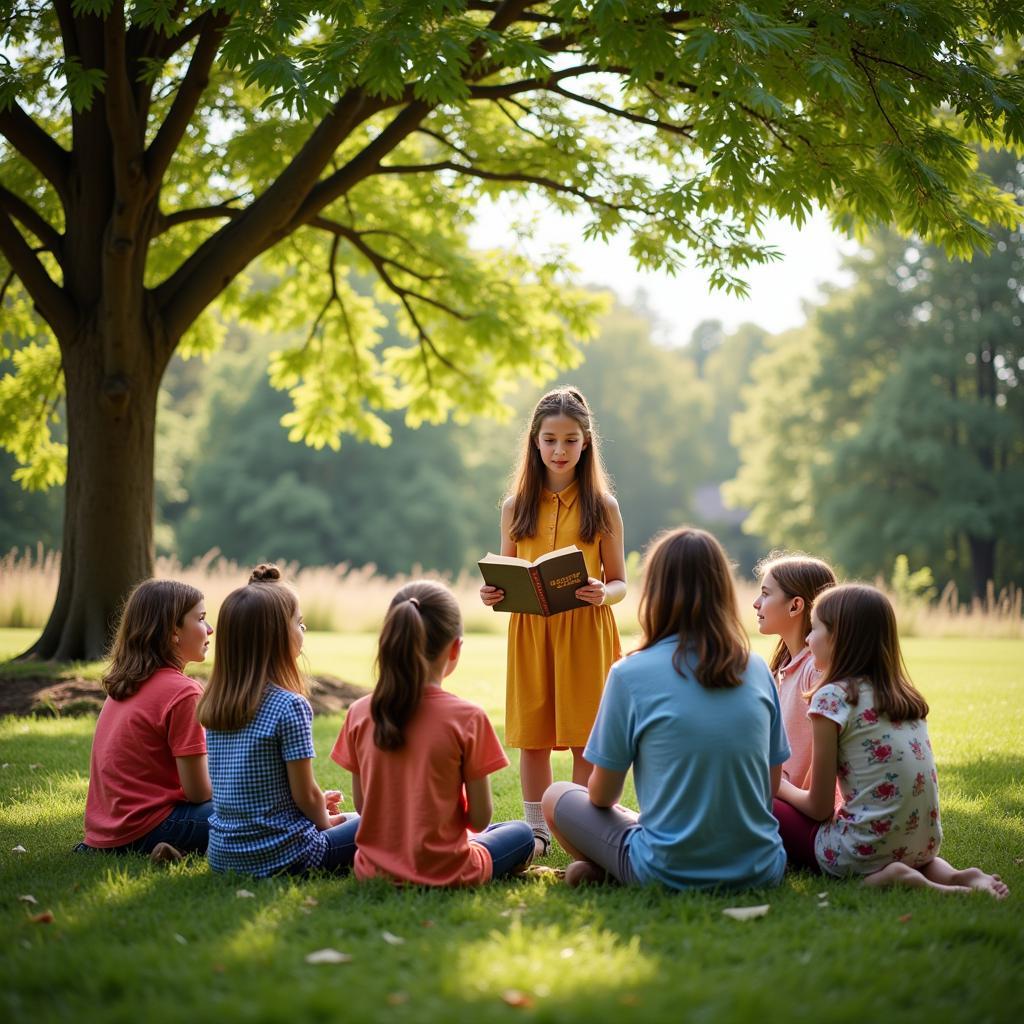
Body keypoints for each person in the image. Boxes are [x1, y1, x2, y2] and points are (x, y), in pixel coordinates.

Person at [543, 527, 789, 890]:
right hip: (763, 868)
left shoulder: (629, 673)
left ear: (655, 591)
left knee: (556, 796)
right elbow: (768, 787)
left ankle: (609, 871)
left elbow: (602, 795)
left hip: (668, 870)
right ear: (723, 590)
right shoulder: (755, 668)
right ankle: (609, 869)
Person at [774, 583, 1008, 898]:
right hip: (923, 842)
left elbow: (818, 808)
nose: (807, 638)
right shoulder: (904, 696)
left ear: (839, 638)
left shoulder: (832, 698)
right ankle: (957, 876)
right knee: (898, 843)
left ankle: (895, 878)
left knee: (766, 803)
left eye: (815, 629)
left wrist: (777, 785)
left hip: (864, 848)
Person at [480, 386, 626, 857]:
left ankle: (584, 831)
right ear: (534, 442)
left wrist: (605, 593)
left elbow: (621, 581)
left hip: (585, 629)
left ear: (586, 443)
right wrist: (492, 593)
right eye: (550, 440)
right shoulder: (514, 506)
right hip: (531, 632)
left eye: (569, 440)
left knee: (587, 738)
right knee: (534, 737)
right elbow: (506, 572)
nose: (559, 450)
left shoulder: (602, 507)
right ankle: (536, 834)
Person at [332, 581, 534, 886]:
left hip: (374, 871)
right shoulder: (469, 718)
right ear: (455, 648)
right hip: (448, 870)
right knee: (521, 833)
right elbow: (479, 821)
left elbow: (363, 808)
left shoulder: (360, 712)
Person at [198, 565, 359, 877]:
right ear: (274, 637)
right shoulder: (289, 706)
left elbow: (247, 790)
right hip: (287, 854)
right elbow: (305, 794)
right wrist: (323, 820)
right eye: (298, 623)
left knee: (354, 818)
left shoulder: (214, 703)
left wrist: (315, 807)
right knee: (378, 820)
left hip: (224, 857)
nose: (304, 630)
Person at [78, 579, 214, 860]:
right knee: (256, 807)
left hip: (106, 833)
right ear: (173, 632)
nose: (210, 629)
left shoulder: (125, 684)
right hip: (150, 826)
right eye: (200, 619)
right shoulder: (184, 692)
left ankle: (175, 851)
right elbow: (199, 792)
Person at [752, 553, 837, 788]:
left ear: (795, 605)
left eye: (766, 594)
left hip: (792, 803)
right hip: (775, 792)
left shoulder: (815, 670)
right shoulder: (784, 668)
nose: (756, 603)